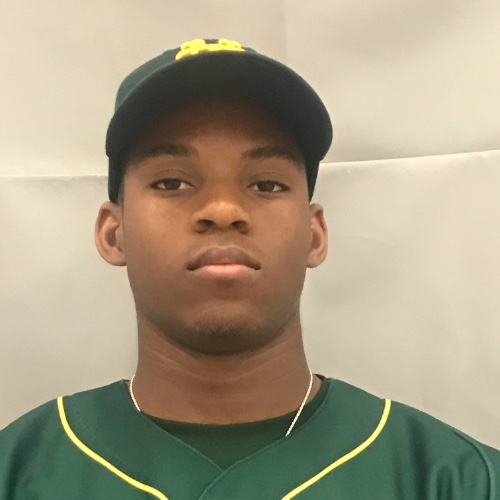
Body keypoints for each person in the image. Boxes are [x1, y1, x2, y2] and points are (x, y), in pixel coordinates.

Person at [0, 37, 499, 499]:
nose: (222, 210)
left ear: (315, 233)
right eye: (171, 183)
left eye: (266, 185)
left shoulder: (458, 480)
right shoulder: (19, 471)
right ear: (114, 233)